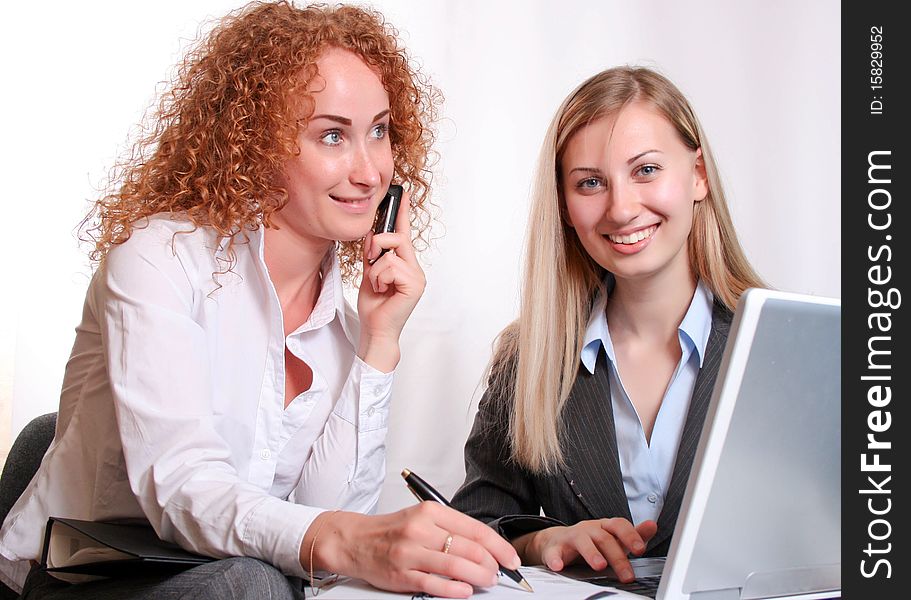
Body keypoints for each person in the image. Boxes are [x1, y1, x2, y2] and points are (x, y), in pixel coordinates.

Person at [0, 2, 518, 599]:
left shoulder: (345, 326)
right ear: (255, 144)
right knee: (256, 584)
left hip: (224, 577)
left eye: (379, 131)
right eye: (332, 135)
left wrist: (378, 344)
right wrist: (348, 543)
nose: (371, 170)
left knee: (271, 584)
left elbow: (327, 525)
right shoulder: (159, 260)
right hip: (82, 575)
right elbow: (183, 488)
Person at [451, 66, 766, 584]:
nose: (620, 209)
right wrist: (542, 540)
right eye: (591, 183)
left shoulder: (781, 346)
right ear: (565, 206)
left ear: (698, 176)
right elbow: (474, 525)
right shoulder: (528, 359)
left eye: (645, 171)